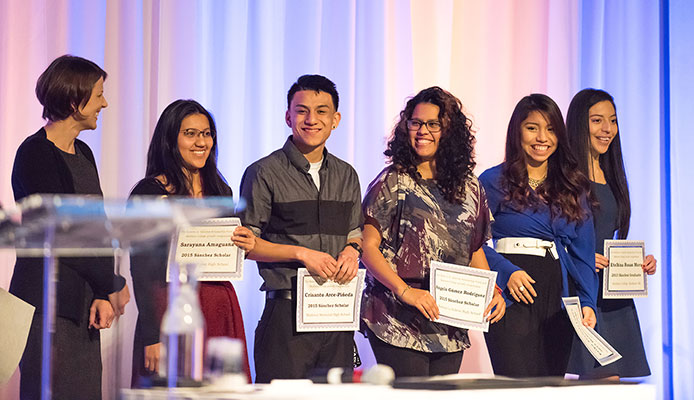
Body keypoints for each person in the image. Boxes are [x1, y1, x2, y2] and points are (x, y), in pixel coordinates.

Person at [359, 87, 505, 377]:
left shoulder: (471, 188)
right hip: (396, 317)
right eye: (415, 122)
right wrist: (406, 291)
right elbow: (367, 247)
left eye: (433, 124)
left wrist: (493, 291)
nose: (422, 130)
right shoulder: (392, 181)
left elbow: (473, 249)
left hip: (449, 322)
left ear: (449, 131)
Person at [10, 54, 130, 400]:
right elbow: (64, 233)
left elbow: (97, 227)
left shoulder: (85, 154)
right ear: (76, 101)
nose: (104, 103)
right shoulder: (35, 154)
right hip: (48, 307)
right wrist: (112, 283)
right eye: (98, 95)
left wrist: (100, 293)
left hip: (81, 307)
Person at [239, 74, 362, 383]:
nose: (311, 119)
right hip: (286, 314)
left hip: (336, 313)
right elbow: (246, 243)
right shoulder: (263, 172)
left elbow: (354, 231)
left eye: (322, 111)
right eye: (302, 110)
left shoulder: (347, 175)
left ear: (336, 119)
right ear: (288, 116)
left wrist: (352, 249)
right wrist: (302, 254)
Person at [128, 99, 254, 385]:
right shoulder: (149, 192)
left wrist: (243, 244)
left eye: (207, 133)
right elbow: (141, 268)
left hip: (219, 306)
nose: (202, 142)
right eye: (190, 133)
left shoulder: (221, 190)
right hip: (170, 310)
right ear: (171, 140)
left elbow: (222, 252)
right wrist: (151, 335)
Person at [480, 93, 598, 377]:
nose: (542, 137)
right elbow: (472, 243)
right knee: (514, 386)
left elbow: (583, 254)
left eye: (551, 129)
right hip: (508, 293)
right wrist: (506, 272)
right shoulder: (491, 181)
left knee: (550, 386)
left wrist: (587, 302)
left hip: (558, 293)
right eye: (532, 127)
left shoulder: (573, 186)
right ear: (517, 131)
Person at [565, 89, 655, 379]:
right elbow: (553, 236)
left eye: (613, 121)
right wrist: (581, 257)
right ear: (580, 124)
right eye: (597, 121)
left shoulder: (611, 174)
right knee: (603, 380)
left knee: (611, 384)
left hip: (613, 294)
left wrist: (638, 265)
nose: (607, 129)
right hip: (583, 288)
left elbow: (610, 236)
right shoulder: (565, 177)